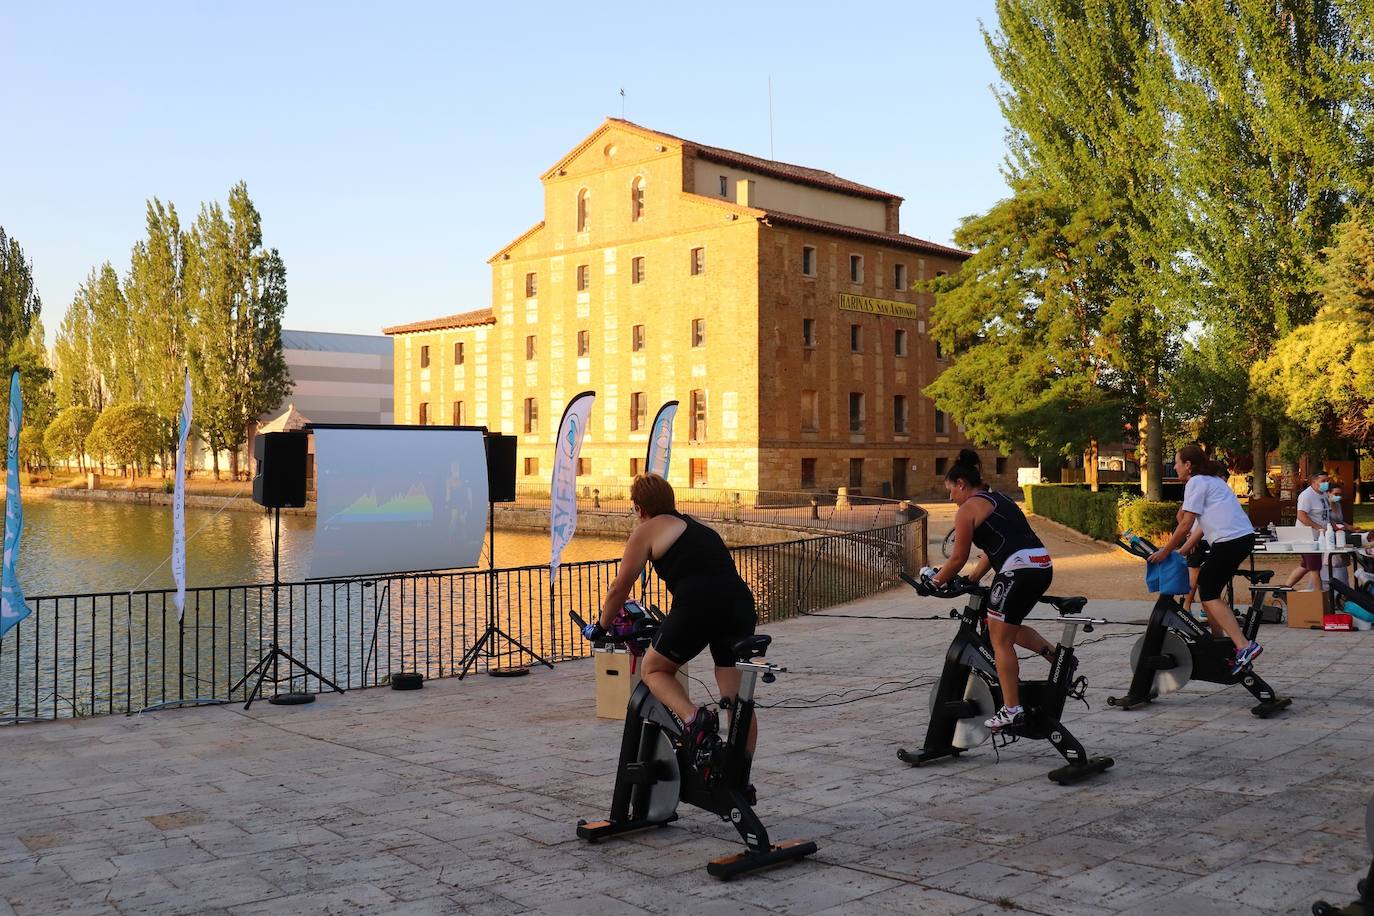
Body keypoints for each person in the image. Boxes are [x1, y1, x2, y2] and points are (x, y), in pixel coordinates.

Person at [586, 473, 758, 754]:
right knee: (735, 699)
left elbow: (620, 587)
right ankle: (738, 775)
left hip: (699, 605)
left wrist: (601, 626)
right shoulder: (697, 525)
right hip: (739, 605)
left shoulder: (647, 529)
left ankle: (693, 717)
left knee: (653, 669)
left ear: (639, 508)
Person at [924, 449, 1057, 732]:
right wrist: (972, 577)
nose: (950, 498)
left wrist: (934, 583)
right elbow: (992, 551)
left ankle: (1012, 709)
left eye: (950, 491)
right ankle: (1057, 661)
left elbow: (957, 558)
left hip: (1017, 570)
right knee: (1007, 626)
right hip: (1041, 565)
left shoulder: (967, 509)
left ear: (961, 484)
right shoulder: (1001, 498)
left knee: (1000, 641)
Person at [1148, 444, 1262, 674]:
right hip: (1239, 539)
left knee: (1207, 590)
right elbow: (1200, 527)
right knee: (1208, 588)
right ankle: (1219, 642)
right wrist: (1181, 551)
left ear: (1188, 465)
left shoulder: (1196, 483)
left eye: (1177, 463)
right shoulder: (1212, 482)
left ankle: (1244, 646)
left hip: (1230, 541)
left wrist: (1165, 551)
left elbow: (1185, 524)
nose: (1175, 467)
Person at [1283, 470, 1334, 591]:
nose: (1325, 483)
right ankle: (1319, 597)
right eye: (1323, 481)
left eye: (1327, 481)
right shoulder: (1307, 495)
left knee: (1306, 565)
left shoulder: (1323, 494)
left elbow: (1325, 515)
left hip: (1319, 537)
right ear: (1314, 481)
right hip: (1307, 538)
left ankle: (1284, 588)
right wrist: (1318, 527)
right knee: (1315, 568)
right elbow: (1301, 516)